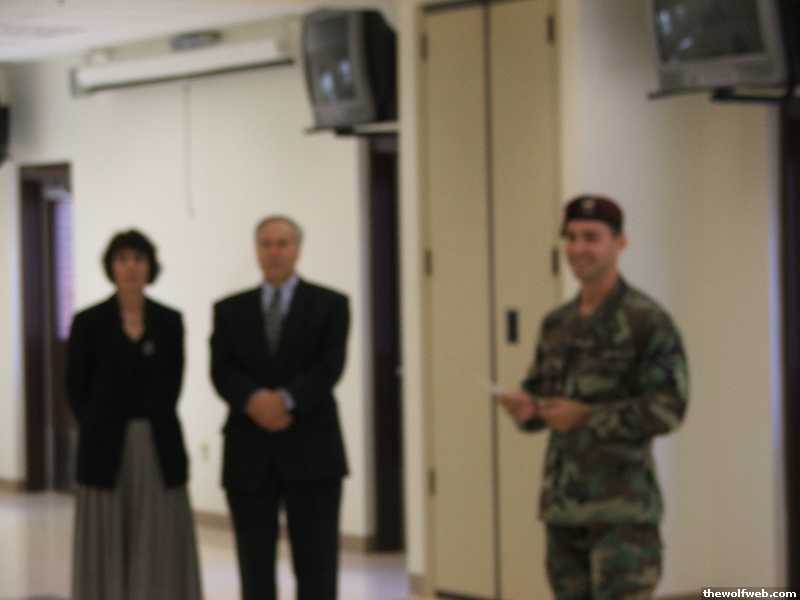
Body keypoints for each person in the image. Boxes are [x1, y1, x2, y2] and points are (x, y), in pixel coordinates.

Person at [497, 195, 689, 600]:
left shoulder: (646, 321)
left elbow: (670, 408)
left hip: (623, 515)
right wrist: (525, 408)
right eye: (571, 237)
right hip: (563, 511)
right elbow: (542, 398)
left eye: (591, 237)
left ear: (620, 243)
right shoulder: (557, 324)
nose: (578, 248)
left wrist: (587, 416)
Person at [210, 215, 350, 600]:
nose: (274, 252)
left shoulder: (331, 305)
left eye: (283, 243)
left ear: (297, 250)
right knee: (254, 567)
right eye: (266, 244)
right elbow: (222, 370)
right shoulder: (229, 309)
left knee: (317, 566)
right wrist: (255, 401)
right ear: (256, 250)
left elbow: (330, 366)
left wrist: (285, 400)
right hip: (249, 452)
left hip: (313, 451)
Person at [66, 229, 203, 600]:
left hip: (157, 443)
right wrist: (99, 423)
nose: (131, 267)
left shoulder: (169, 321)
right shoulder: (88, 322)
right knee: (107, 532)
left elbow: (173, 385)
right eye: (122, 259)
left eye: (138, 259)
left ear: (150, 266)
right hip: (103, 446)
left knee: (156, 531)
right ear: (111, 267)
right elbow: (75, 389)